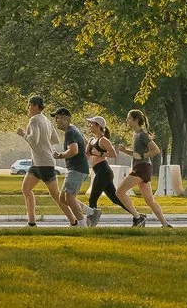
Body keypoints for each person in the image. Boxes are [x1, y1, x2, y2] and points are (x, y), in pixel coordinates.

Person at [20, 95, 82, 226]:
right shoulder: (47, 121)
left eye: (30, 105)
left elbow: (34, 141)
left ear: (36, 106)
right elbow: (55, 139)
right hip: (38, 163)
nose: (28, 108)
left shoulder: (34, 120)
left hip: (44, 163)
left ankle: (74, 221)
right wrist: (46, 144)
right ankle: (31, 223)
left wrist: (23, 134)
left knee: (57, 196)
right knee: (26, 189)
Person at [83, 114, 139, 226]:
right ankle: (137, 216)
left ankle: (90, 222)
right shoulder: (92, 140)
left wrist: (101, 153)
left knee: (93, 197)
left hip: (104, 171)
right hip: (98, 171)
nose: (89, 126)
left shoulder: (103, 140)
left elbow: (114, 153)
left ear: (98, 126)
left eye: (91, 124)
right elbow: (87, 156)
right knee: (115, 198)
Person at [121, 109, 173, 228]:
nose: (127, 120)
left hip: (142, 168)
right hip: (140, 167)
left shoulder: (143, 135)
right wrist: (125, 151)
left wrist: (143, 156)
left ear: (135, 120)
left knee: (119, 192)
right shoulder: (135, 135)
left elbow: (156, 150)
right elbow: (136, 154)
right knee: (150, 201)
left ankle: (138, 218)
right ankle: (165, 224)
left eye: (129, 118)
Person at [59, 111, 92, 225]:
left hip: (76, 169)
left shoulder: (70, 132)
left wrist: (60, 155)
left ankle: (82, 226)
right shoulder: (74, 129)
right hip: (76, 168)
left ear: (65, 119)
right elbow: (87, 143)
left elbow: (73, 150)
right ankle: (91, 213)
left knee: (69, 198)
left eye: (58, 118)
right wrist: (86, 156)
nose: (56, 121)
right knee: (63, 198)